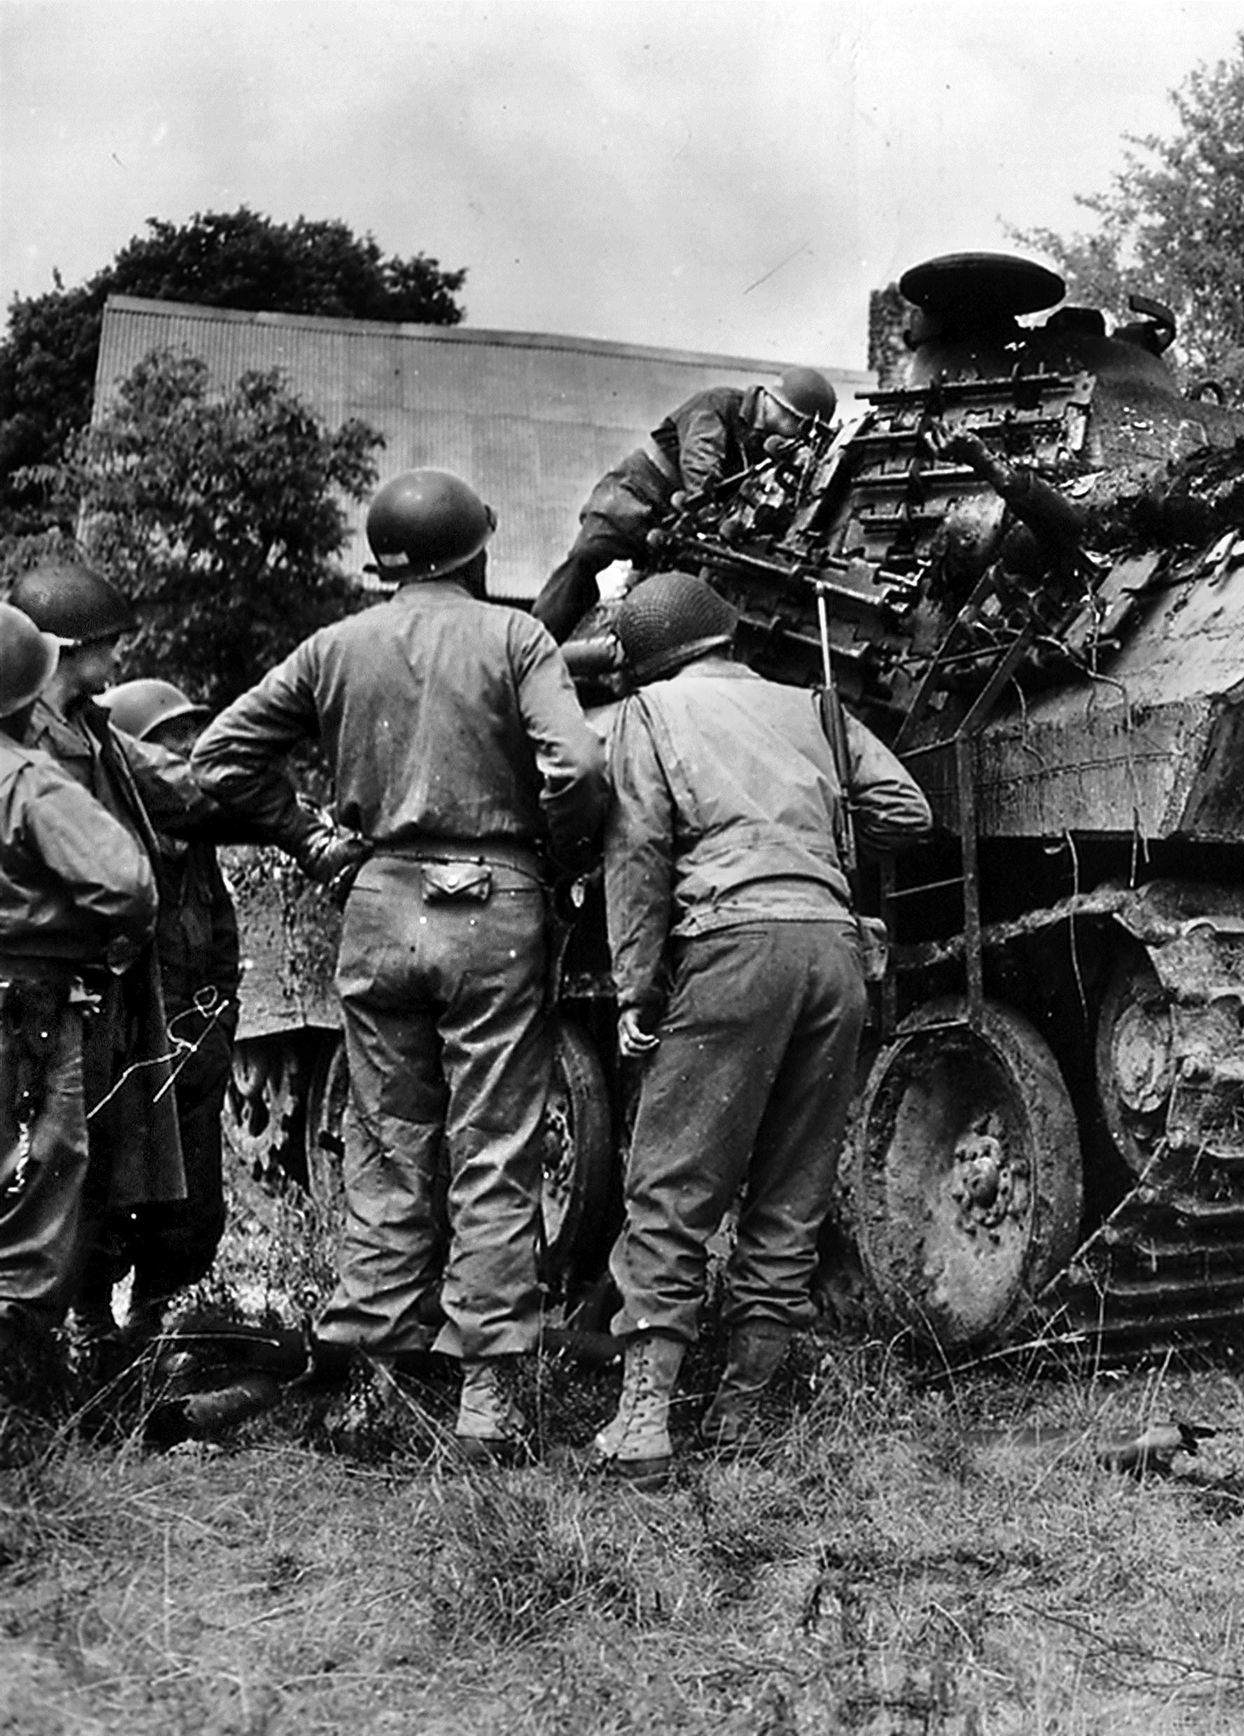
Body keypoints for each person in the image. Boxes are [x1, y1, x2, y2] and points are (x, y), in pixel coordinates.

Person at [194, 467, 610, 1463]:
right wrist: (549, 857)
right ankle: (487, 1405)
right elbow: (579, 768)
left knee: (383, 1142)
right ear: (477, 550)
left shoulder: (333, 646)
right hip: (495, 904)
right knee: (496, 1150)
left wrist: (317, 842)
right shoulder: (518, 639)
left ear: (385, 562)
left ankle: (360, 1393)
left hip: (377, 904)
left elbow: (219, 758)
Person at [592, 571, 929, 1483]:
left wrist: (636, 990)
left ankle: (645, 1425)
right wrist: (822, 838)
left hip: (732, 949)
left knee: (672, 1184)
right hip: (833, 952)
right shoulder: (813, 706)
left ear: (645, 655)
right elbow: (908, 810)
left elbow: (638, 855)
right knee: (791, 1189)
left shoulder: (647, 717)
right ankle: (744, 1417)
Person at [0, 601, 157, 1401]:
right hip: (27, 999)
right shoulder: (28, 779)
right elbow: (126, 882)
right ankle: (19, 1404)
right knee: (39, 1180)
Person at [80, 679, 245, 1348]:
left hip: (192, 1050)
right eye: (169, 752)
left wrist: (219, 1032)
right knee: (105, 1198)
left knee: (192, 1208)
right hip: (126, 1055)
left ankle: (152, 1320)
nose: (186, 768)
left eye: (191, 751)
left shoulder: (198, 851)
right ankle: (89, 1325)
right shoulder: (109, 851)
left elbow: (223, 944)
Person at [533, 367, 838, 642]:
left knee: (664, 602)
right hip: (633, 496)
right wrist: (711, 516)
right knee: (583, 563)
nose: (797, 436)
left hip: (673, 520)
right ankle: (533, 647)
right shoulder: (717, 404)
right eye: (798, 425)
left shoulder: (762, 441)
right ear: (779, 407)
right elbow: (700, 464)